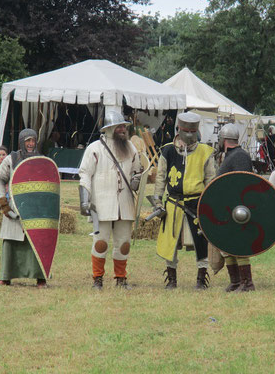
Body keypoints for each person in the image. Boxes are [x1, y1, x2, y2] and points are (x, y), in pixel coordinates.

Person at [152, 111, 216, 290]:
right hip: (173, 203)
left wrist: (210, 202)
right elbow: (161, 177)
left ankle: (201, 279)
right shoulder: (168, 150)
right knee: (170, 243)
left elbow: (210, 180)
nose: (188, 135)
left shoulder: (205, 151)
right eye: (185, 131)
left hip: (197, 203)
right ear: (179, 130)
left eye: (192, 131)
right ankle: (172, 279)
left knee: (201, 243)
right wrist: (157, 199)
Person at [78, 111, 142, 289]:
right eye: (119, 127)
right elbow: (84, 174)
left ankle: (121, 279)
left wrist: (137, 178)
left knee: (124, 244)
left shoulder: (131, 148)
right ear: (109, 129)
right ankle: (97, 279)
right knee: (100, 243)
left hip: (124, 203)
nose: (123, 129)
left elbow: (137, 172)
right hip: (101, 204)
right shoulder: (95, 148)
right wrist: (85, 200)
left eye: (124, 127)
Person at [0, 129, 47, 287]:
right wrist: (3, 202)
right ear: (21, 142)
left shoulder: (42, 159)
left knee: (36, 241)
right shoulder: (12, 158)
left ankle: (40, 278)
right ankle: (6, 277)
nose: (30, 144)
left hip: (35, 207)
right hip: (15, 205)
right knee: (11, 240)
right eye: (27, 141)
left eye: (33, 141)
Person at [215, 123, 255, 292]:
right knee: (227, 245)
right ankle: (236, 281)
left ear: (223, 140)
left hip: (237, 210)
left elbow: (242, 185)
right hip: (227, 209)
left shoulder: (240, 156)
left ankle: (247, 283)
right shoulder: (230, 156)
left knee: (238, 245)